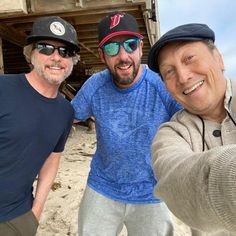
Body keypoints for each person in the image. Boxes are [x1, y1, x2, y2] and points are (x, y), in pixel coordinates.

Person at [71, 11, 182, 236]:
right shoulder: (95, 86)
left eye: (130, 45)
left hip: (152, 192)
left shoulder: (160, 84)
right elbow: (65, 117)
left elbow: (193, 121)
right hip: (102, 187)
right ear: (102, 55)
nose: (123, 56)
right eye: (112, 48)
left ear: (141, 47)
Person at [148, 23, 236, 236]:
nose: (183, 76)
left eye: (189, 59)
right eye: (169, 71)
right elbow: (176, 183)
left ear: (218, 58)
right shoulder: (171, 133)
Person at [0, 16, 80, 235]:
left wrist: (36, 211)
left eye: (65, 52)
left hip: (19, 217)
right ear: (31, 54)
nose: (56, 57)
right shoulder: (3, 88)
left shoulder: (66, 111)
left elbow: (52, 159)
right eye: (45, 48)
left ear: (72, 61)